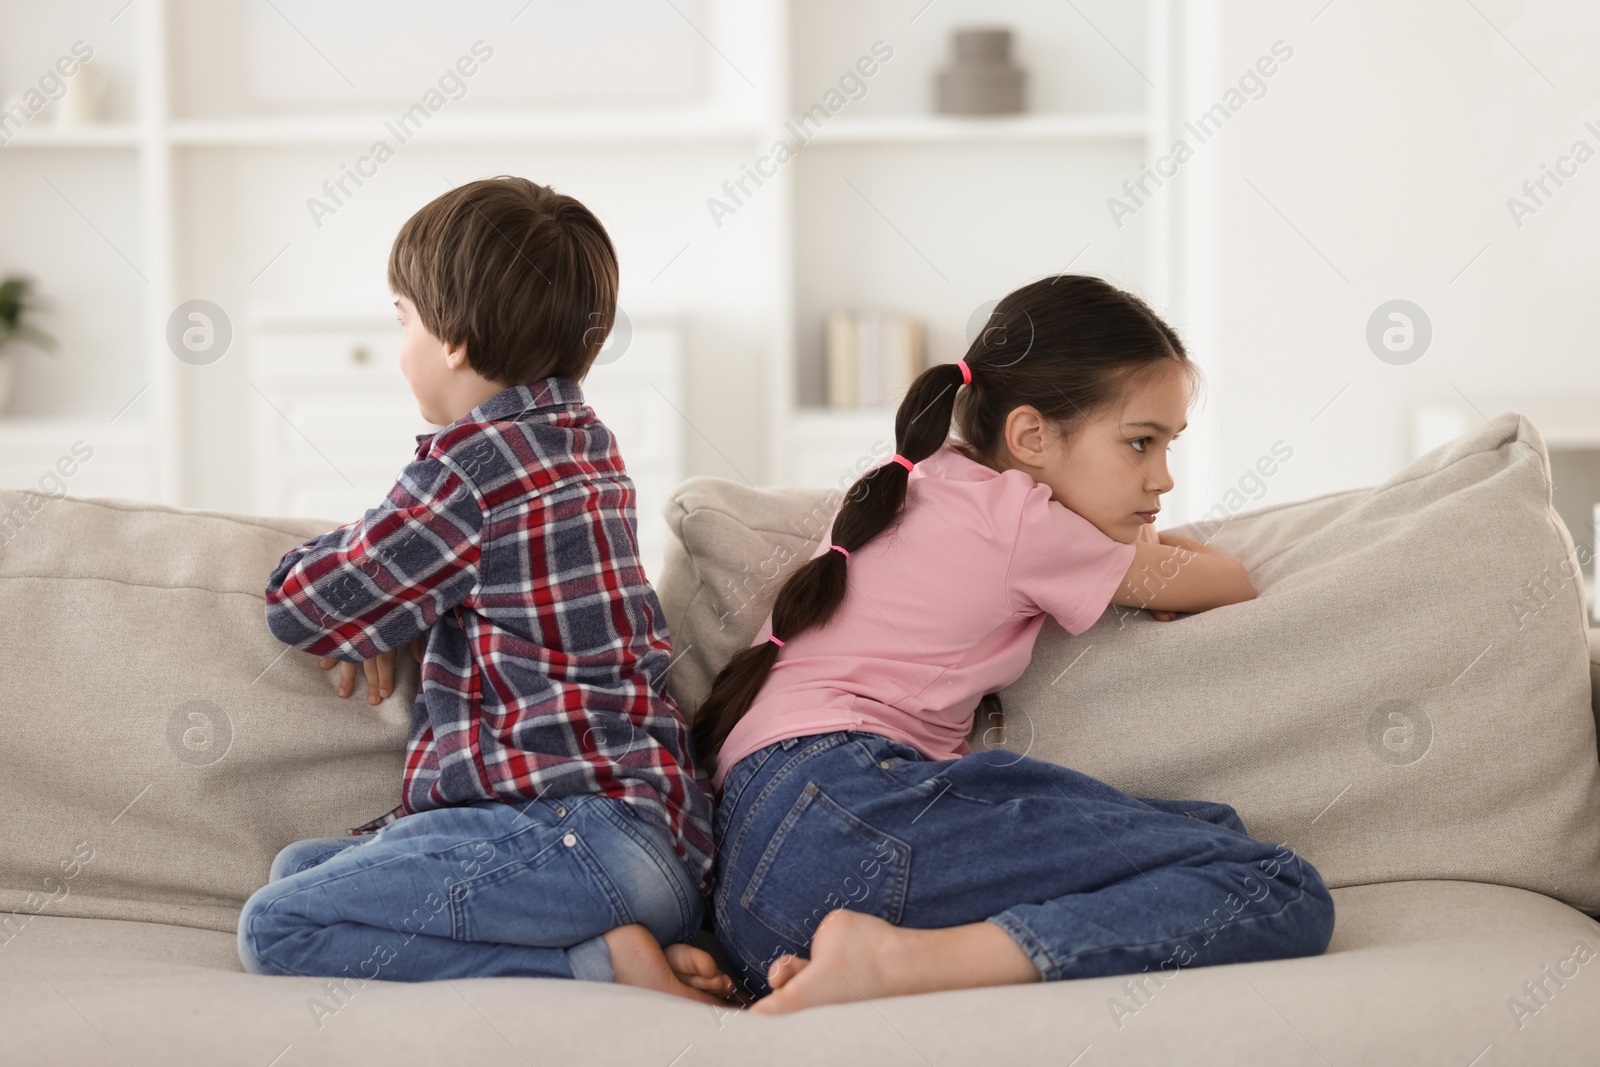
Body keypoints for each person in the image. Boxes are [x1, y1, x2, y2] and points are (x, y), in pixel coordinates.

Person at [695, 274, 1337, 1014]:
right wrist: (1146, 548)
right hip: (854, 810)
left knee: (1208, 833)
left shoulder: (917, 480)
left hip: (757, 882)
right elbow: (1227, 582)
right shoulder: (1024, 522)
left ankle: (841, 958)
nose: (1161, 478)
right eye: (1140, 443)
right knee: (1276, 887)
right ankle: (905, 960)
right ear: (1030, 436)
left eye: (1169, 446)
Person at [237, 176, 737, 1005]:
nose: (400, 343)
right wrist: (406, 603)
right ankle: (642, 943)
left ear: (455, 342)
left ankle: (598, 969)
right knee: (299, 868)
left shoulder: (467, 476)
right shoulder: (586, 443)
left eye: (403, 320)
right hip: (661, 846)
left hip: (573, 839)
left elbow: (303, 603)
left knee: (278, 926)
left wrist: (379, 605)